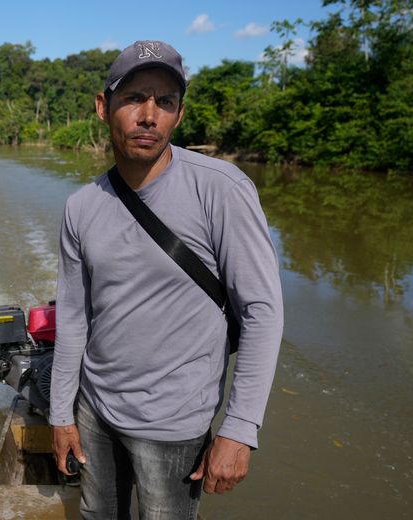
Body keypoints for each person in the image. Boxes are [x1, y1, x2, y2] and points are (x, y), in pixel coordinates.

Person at [49, 40, 284, 519]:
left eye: (165, 102)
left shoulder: (221, 189)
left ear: (178, 113)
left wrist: (240, 429)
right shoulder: (81, 206)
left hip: (175, 423)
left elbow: (262, 311)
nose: (149, 115)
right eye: (134, 98)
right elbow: (72, 316)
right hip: (94, 411)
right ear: (103, 106)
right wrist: (60, 414)